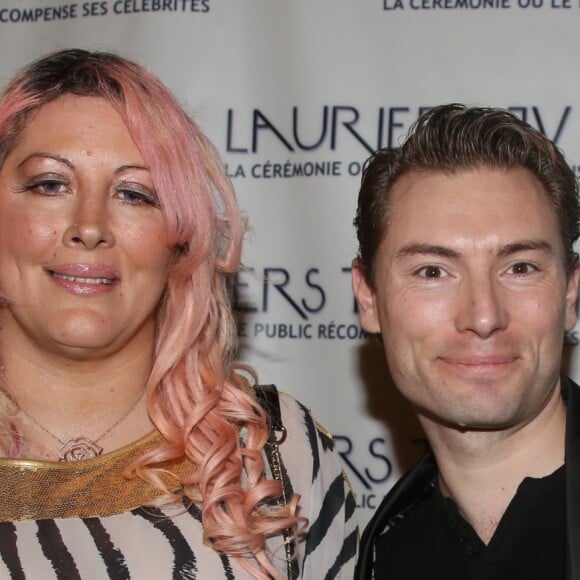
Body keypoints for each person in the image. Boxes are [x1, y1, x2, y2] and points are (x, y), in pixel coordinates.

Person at [0, 49, 357, 579]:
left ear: (179, 241)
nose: (89, 225)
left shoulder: (277, 450)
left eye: (134, 193)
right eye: (50, 184)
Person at [351, 103, 580, 579]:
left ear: (571, 293)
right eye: (433, 271)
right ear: (368, 298)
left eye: (520, 268)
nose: (483, 316)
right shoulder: (386, 551)